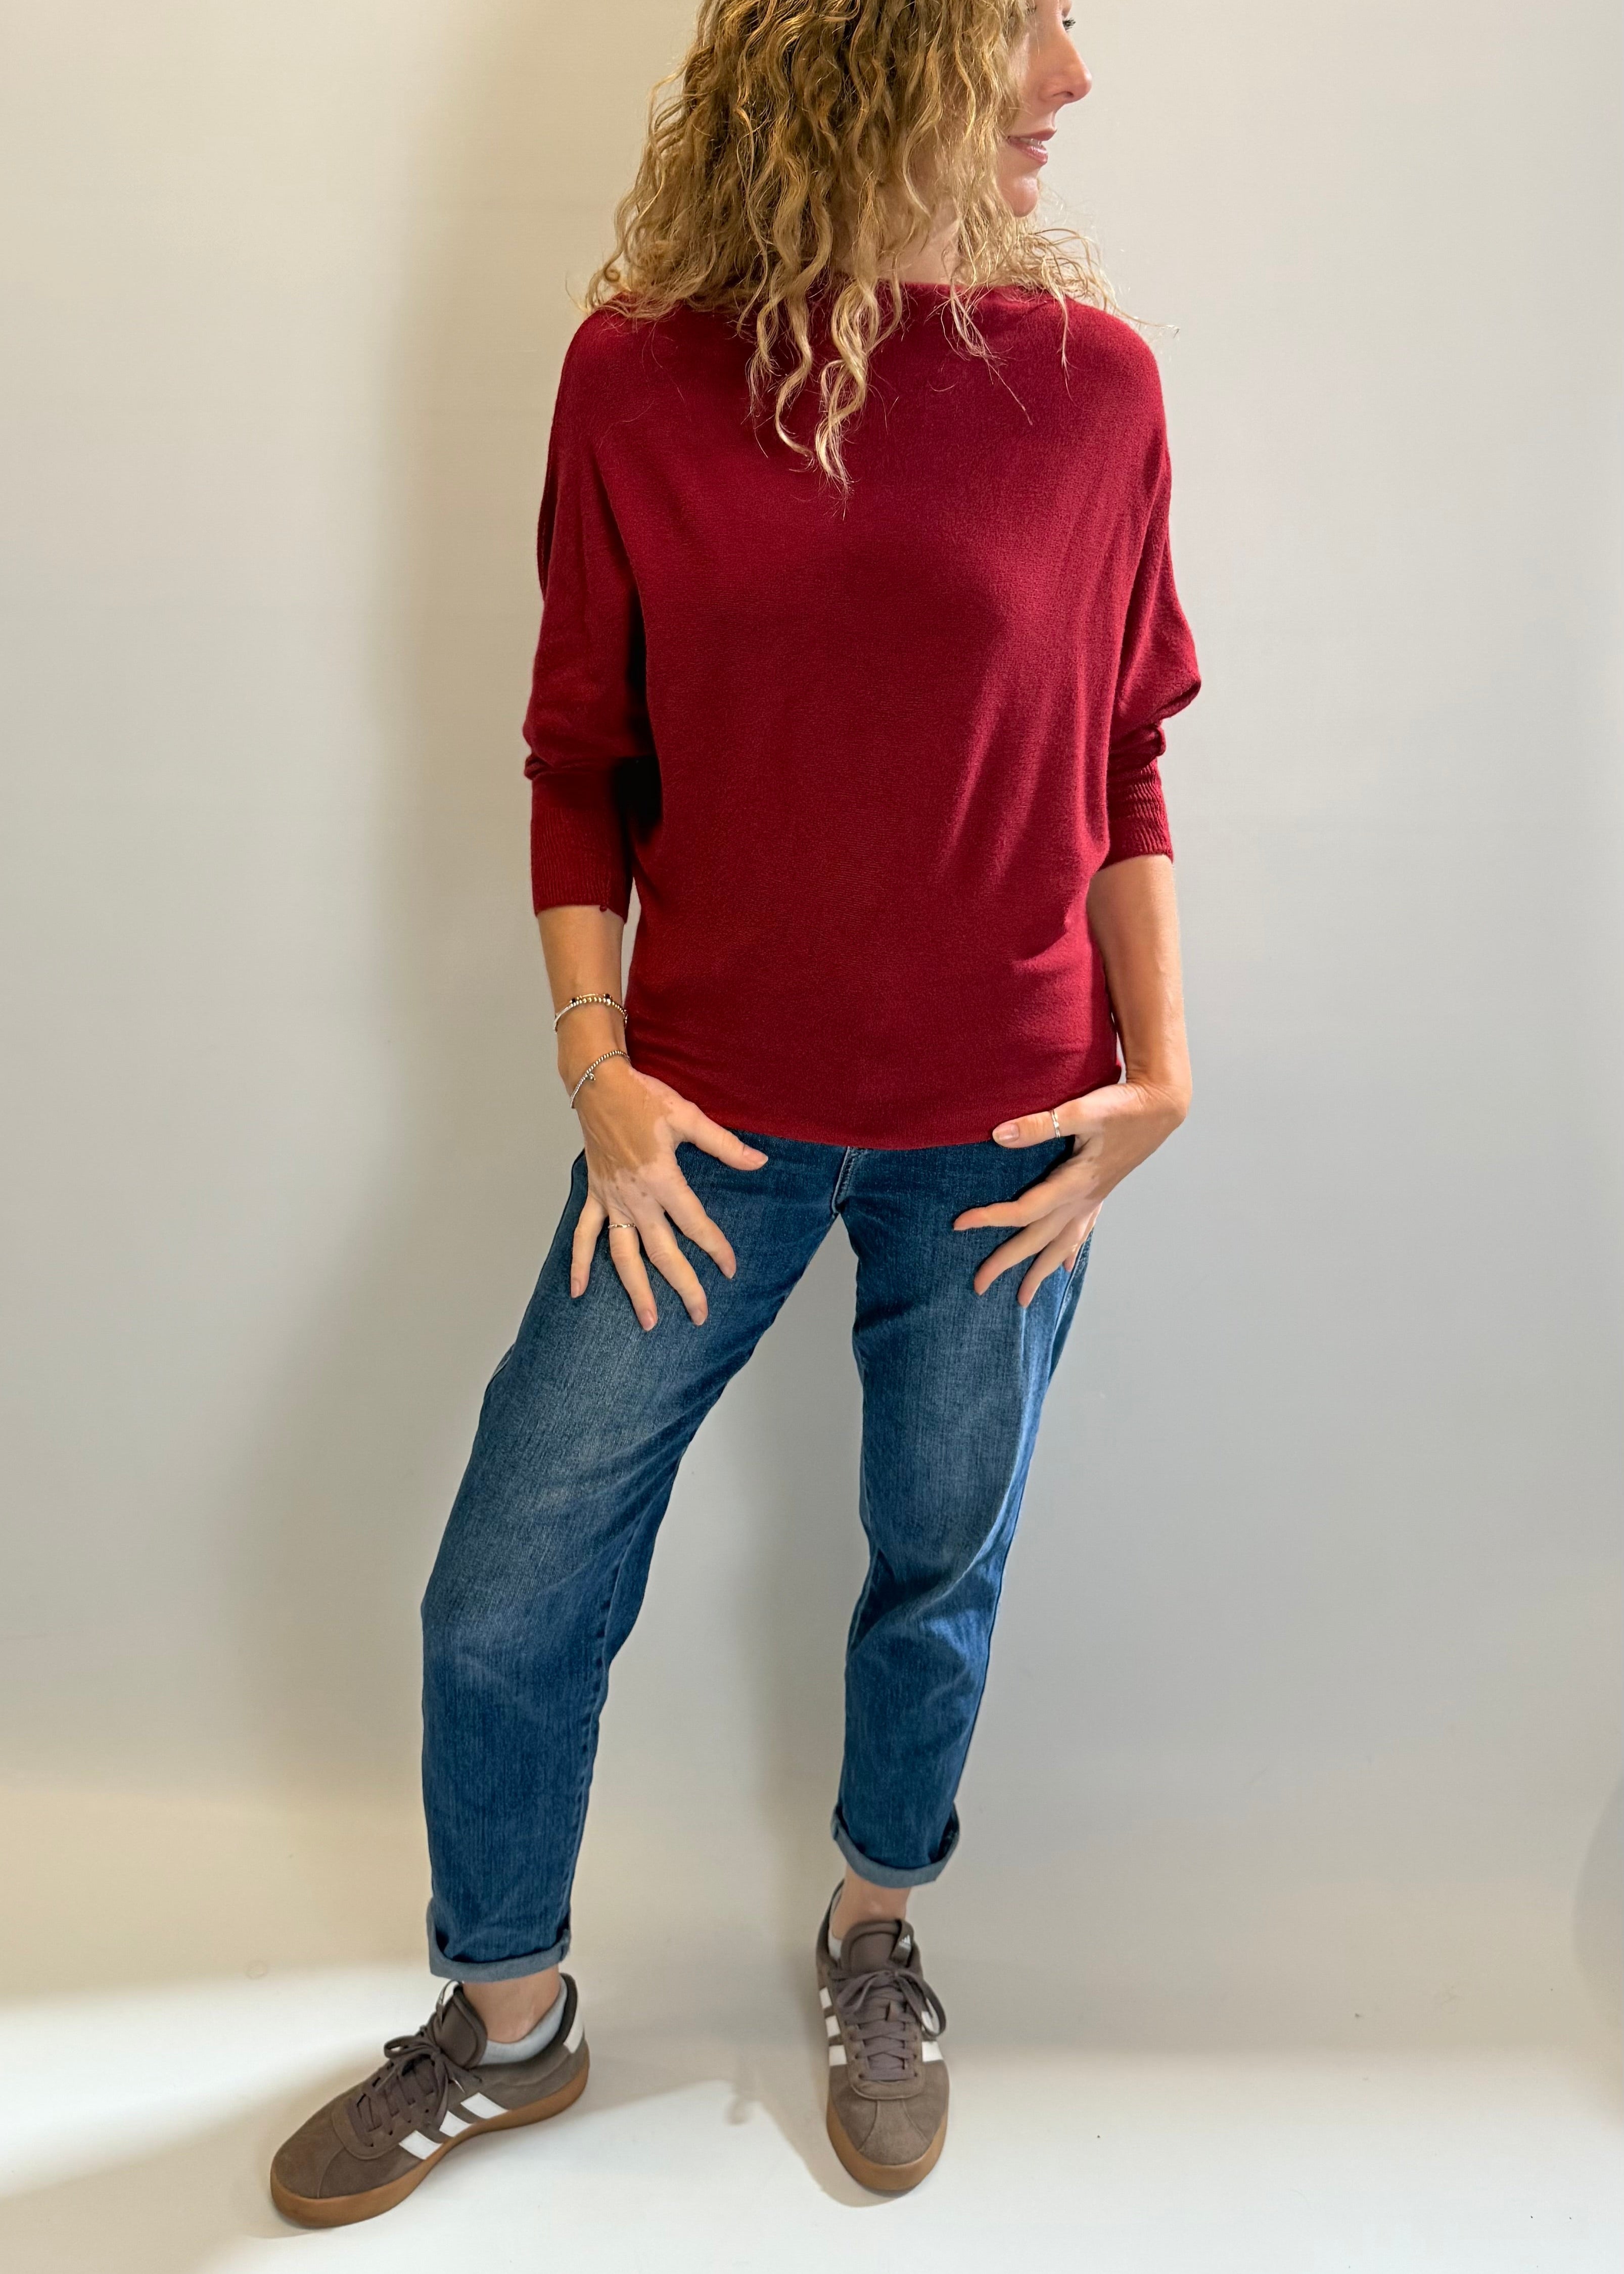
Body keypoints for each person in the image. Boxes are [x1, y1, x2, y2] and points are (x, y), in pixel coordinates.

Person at [271, 0, 1198, 2223]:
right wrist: (597, 1071)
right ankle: (510, 2022)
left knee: (934, 1564)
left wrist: (1164, 1065)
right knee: (507, 1592)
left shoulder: (1098, 393)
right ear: (878, 50)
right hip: (701, 1136)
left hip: (1005, 1137)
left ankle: (879, 1937)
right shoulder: (641, 383)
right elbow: (576, 751)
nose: (1075, 83)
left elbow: (1127, 760)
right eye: (1033, 28)